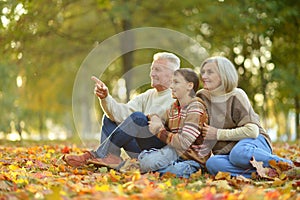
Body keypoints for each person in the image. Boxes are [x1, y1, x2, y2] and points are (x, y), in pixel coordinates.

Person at [63, 52, 181, 169]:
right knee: (110, 118)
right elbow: (122, 113)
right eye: (152, 69)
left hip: (159, 152)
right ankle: (111, 157)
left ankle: (98, 155)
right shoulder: (148, 95)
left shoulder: (178, 96)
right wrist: (105, 97)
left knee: (138, 118)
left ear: (172, 74)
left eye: (157, 70)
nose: (152, 74)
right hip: (139, 149)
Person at [196, 56, 293, 178]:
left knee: (238, 153)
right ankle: (263, 173)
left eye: (210, 72)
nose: (204, 76)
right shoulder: (201, 97)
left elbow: (252, 131)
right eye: (203, 72)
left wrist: (217, 134)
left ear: (223, 75)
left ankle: (287, 166)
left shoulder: (236, 95)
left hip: (253, 143)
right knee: (212, 164)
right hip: (227, 153)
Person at [137, 68, 211, 178]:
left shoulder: (196, 107)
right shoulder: (174, 107)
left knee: (174, 172)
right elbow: (154, 116)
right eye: (171, 82)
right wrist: (155, 118)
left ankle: (155, 166)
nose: (171, 86)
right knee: (148, 163)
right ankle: (152, 164)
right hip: (174, 152)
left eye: (176, 82)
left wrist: (159, 131)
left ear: (189, 86)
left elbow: (183, 142)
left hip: (193, 159)